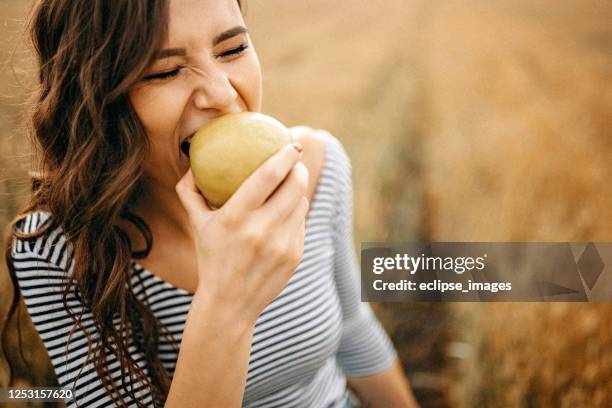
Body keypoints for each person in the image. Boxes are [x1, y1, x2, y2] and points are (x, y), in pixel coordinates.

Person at [4, 0, 419, 407]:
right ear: (98, 101)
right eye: (165, 71)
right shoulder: (58, 250)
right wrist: (227, 302)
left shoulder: (317, 166)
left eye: (233, 49)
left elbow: (353, 330)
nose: (222, 95)